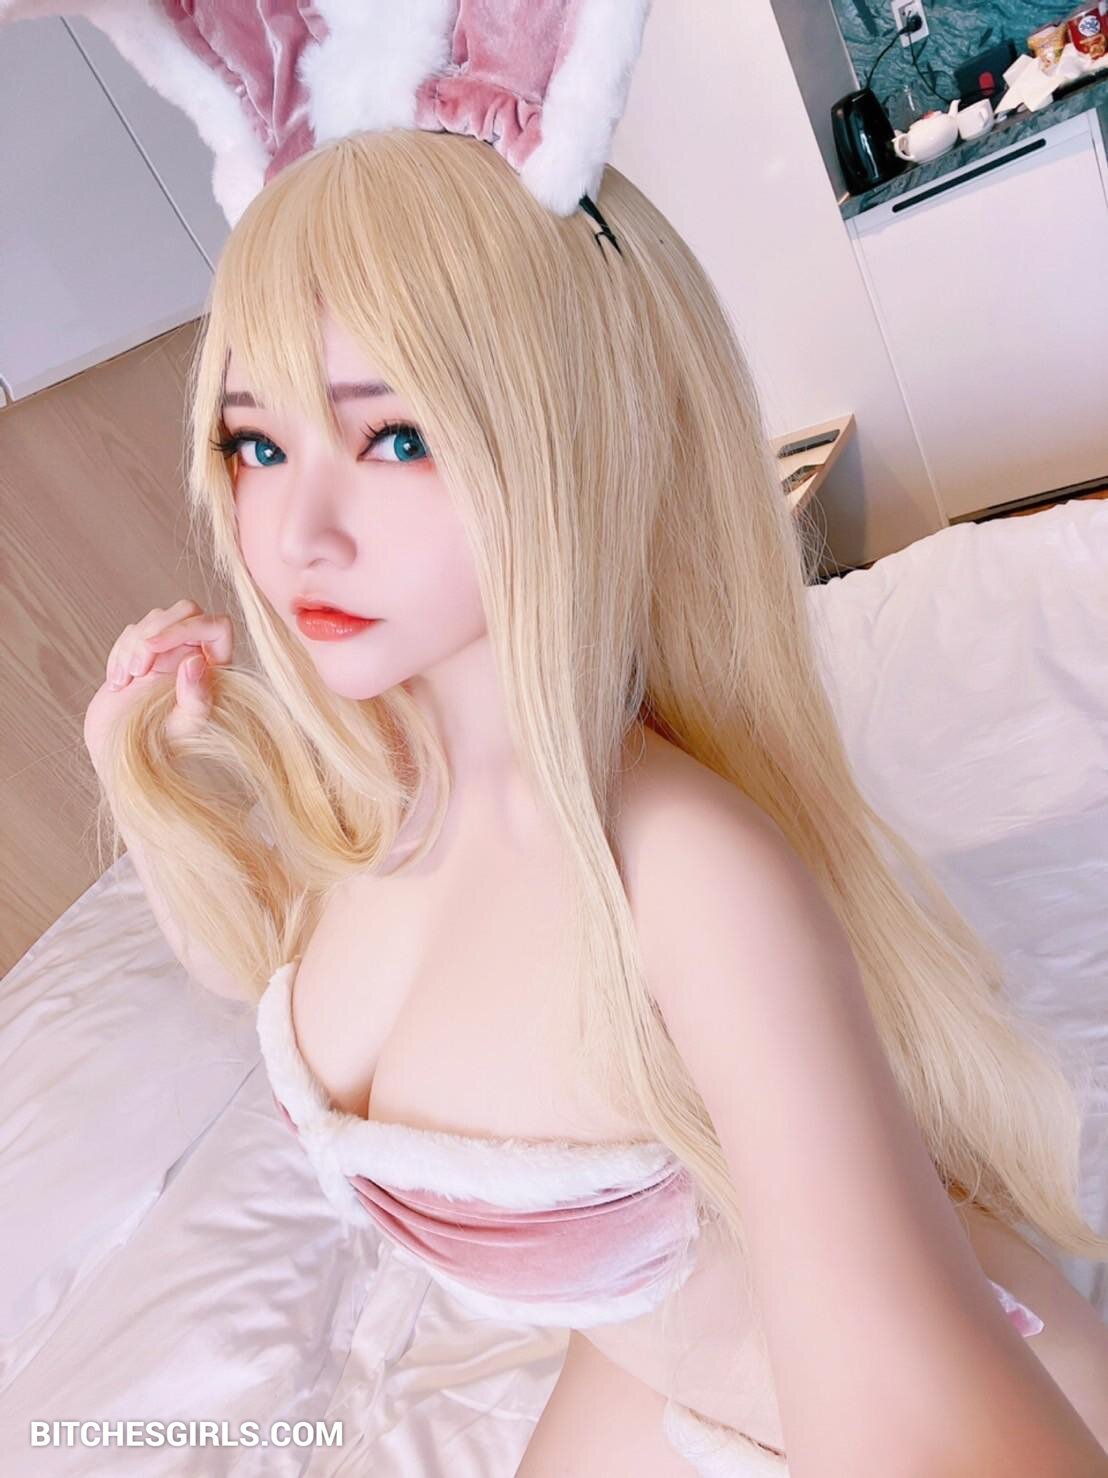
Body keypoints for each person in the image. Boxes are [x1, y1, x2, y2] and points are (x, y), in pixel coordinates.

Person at [79, 126, 1108, 1475]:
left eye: (395, 436)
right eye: (255, 444)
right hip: (641, 1357)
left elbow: (919, 1409)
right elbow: (265, 969)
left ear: (576, 440)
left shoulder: (688, 879)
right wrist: (143, 781)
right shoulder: (371, 808)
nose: (297, 533)